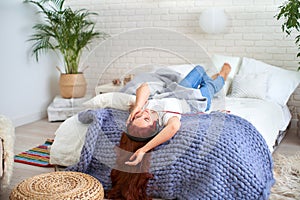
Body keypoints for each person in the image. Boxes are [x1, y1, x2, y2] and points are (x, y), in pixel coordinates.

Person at [125, 63, 231, 166]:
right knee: (211, 86)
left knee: (199, 69)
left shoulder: (143, 108)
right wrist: (143, 150)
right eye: (146, 119)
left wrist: (138, 106)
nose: (145, 113)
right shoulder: (165, 117)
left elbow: (144, 86)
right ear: (155, 125)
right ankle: (222, 76)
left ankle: (209, 80)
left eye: (138, 116)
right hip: (198, 100)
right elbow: (173, 126)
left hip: (179, 90)